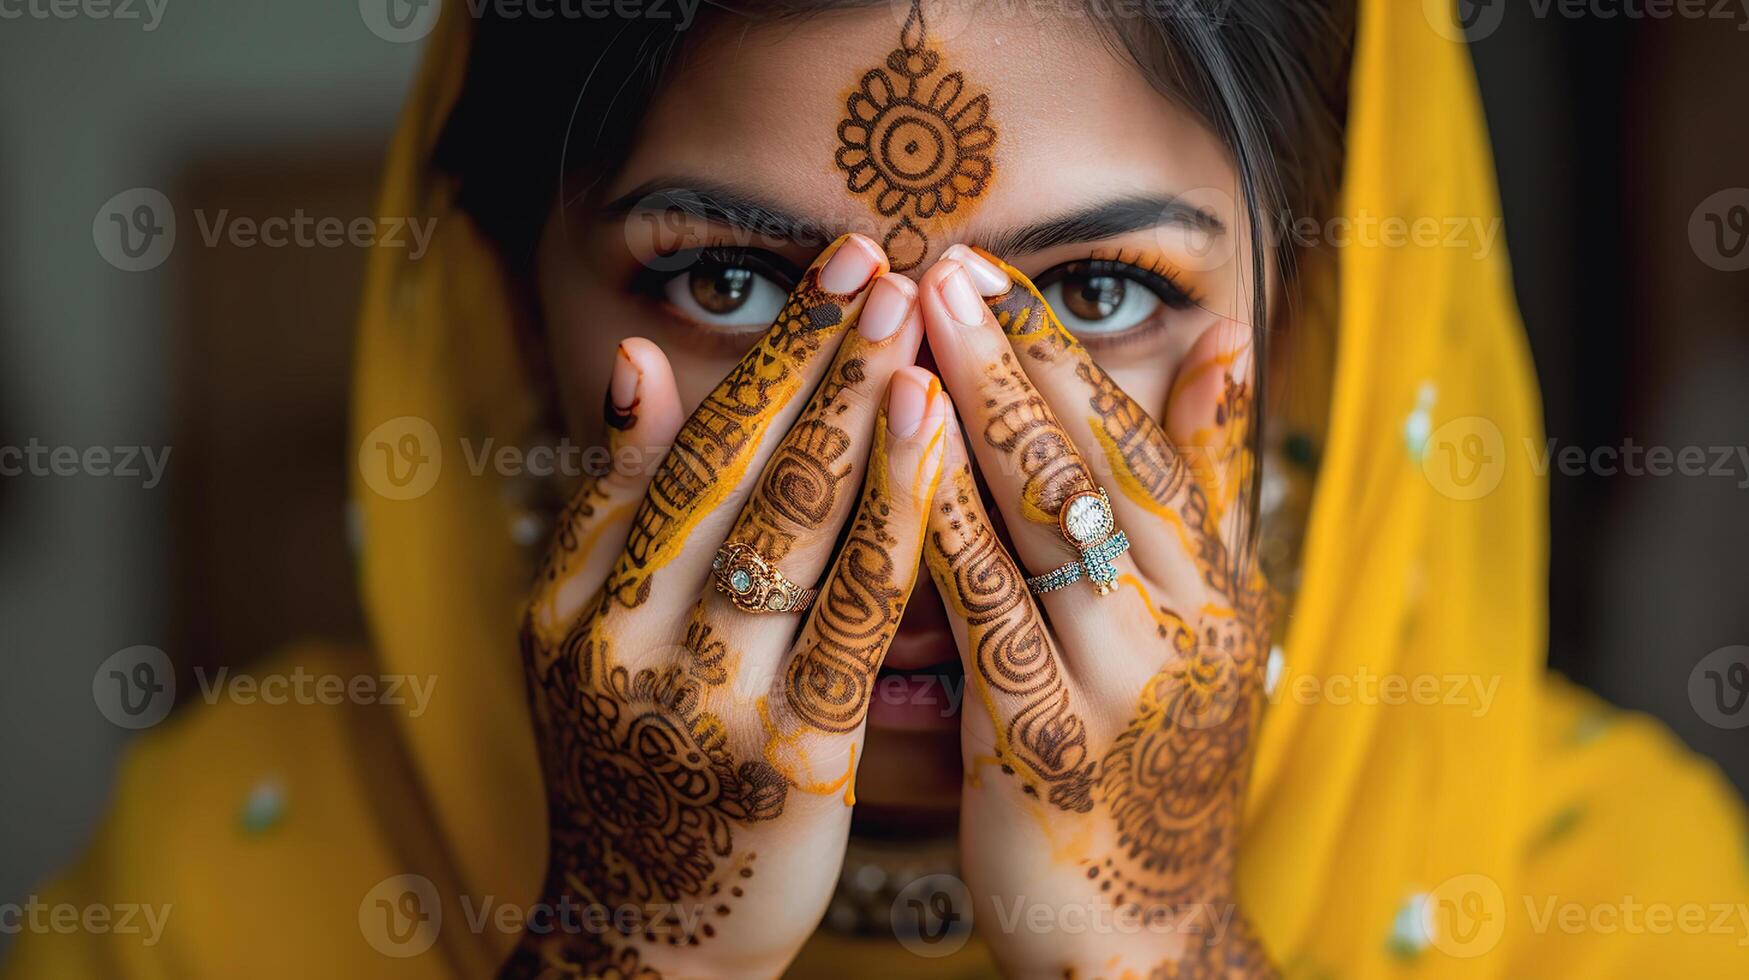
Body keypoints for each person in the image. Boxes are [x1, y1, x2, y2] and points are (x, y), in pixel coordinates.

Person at [8, 1, 1745, 977]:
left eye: (1089, 296)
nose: (910, 468)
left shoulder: (1604, 897)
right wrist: (633, 947)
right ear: (506, 309)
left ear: (1305, 337)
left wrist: (1160, 943)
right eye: (739, 288)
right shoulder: (223, 886)